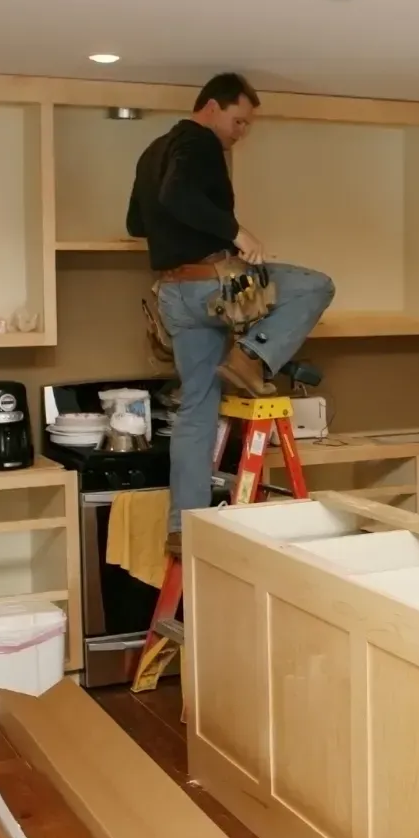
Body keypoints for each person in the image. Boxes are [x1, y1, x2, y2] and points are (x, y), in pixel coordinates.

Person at [127, 71, 335, 556]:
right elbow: (177, 197)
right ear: (212, 107)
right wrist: (237, 234)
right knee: (316, 285)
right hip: (211, 287)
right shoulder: (197, 142)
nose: (241, 132)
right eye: (239, 121)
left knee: (196, 410)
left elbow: (137, 221)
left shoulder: (151, 152)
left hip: (173, 296)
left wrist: (178, 234)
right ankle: (252, 358)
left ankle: (184, 526)